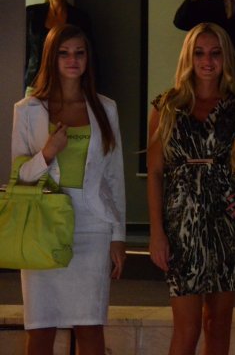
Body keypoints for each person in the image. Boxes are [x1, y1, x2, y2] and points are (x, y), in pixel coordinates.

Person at [11, 24, 126, 355]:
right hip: (42, 225)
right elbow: (19, 177)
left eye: (79, 53)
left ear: (88, 58)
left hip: (93, 225)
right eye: (63, 53)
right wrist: (47, 154)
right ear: (51, 57)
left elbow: (114, 177)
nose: (72, 59)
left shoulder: (105, 108)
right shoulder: (27, 109)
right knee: (40, 329)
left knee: (90, 327)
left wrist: (118, 236)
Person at [147, 22, 235, 355]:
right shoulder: (166, 106)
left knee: (218, 326)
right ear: (189, 57)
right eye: (199, 53)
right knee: (187, 328)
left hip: (225, 225)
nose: (207, 61)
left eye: (215, 53)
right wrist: (156, 232)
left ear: (225, 58)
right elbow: (154, 172)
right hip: (180, 226)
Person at [25, 0, 93, 89]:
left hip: (69, 85)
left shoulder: (80, 17)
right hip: (36, 83)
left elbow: (89, 53)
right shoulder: (31, 13)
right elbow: (24, 50)